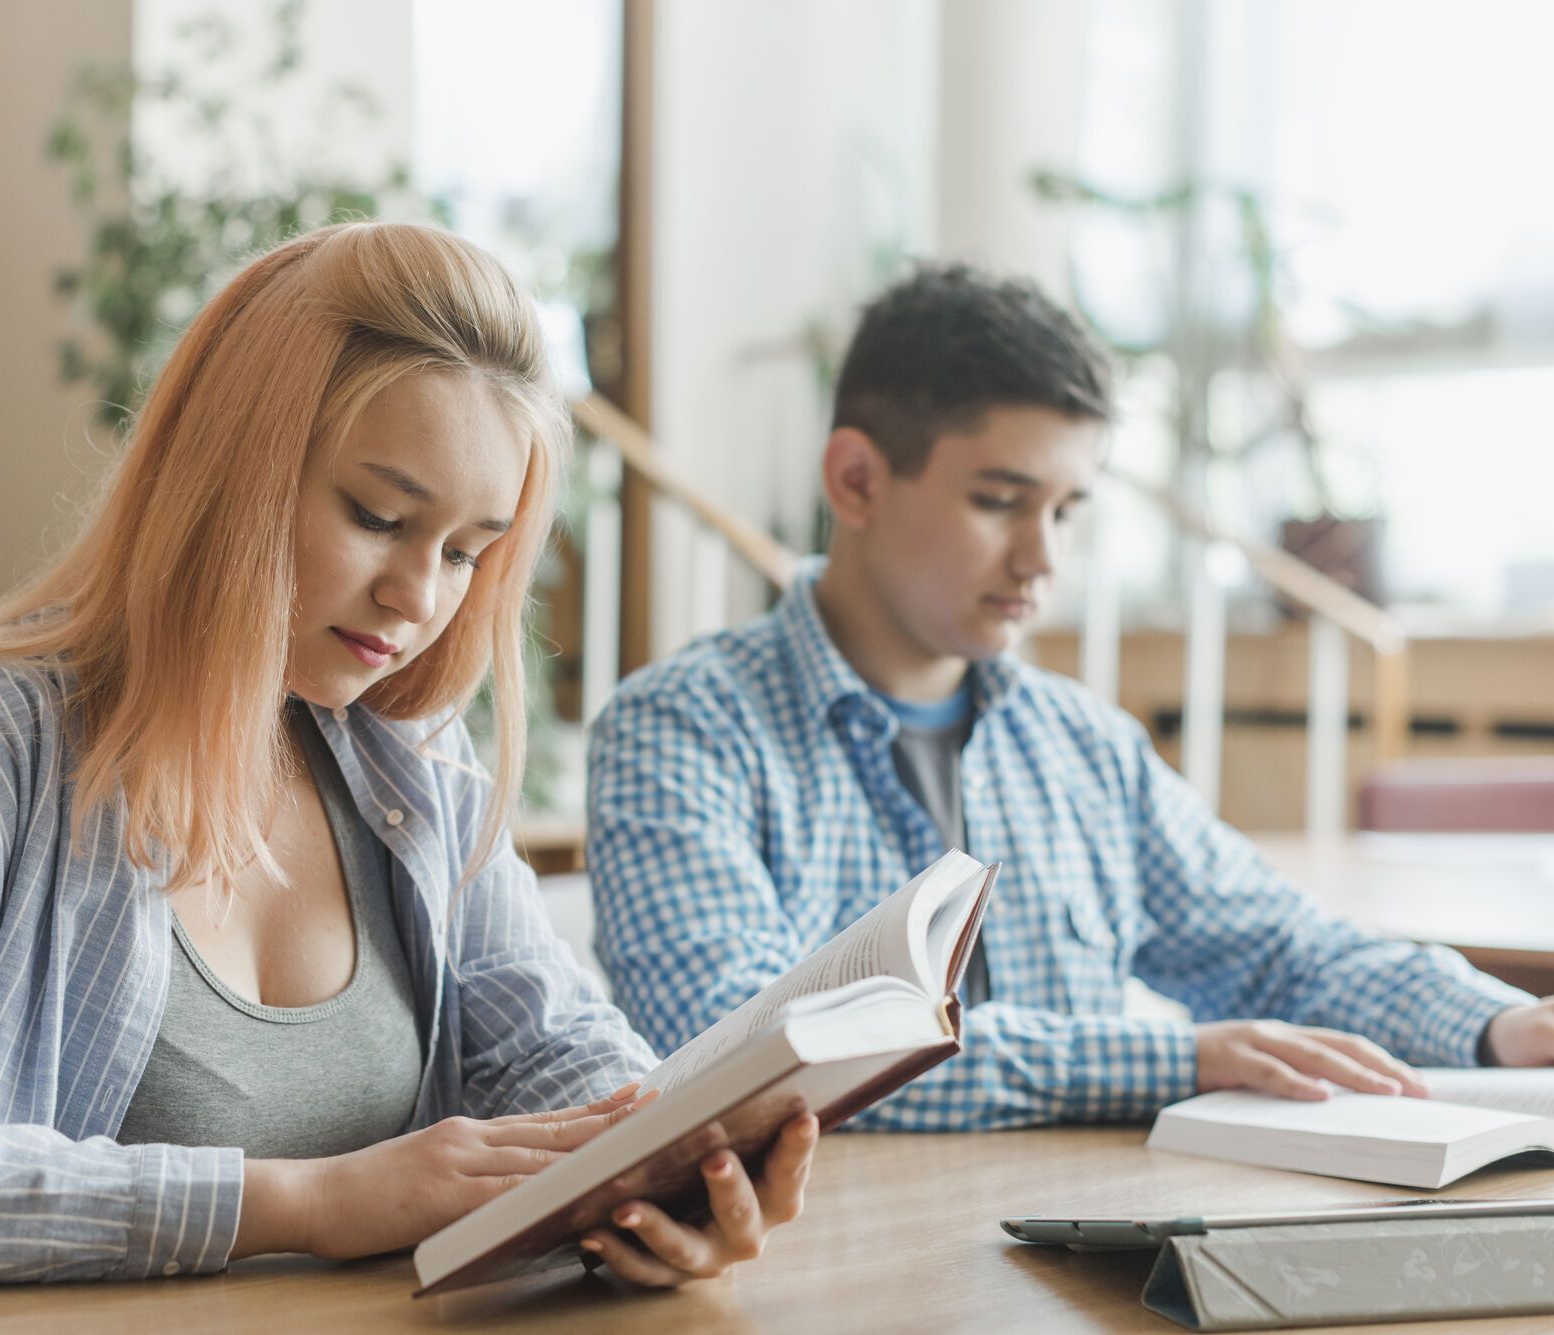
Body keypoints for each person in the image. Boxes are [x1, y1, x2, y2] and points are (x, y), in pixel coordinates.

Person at [0, 223, 815, 1286]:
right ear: (232, 469)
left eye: (467, 553)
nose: (416, 598)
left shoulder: (407, 756)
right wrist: (298, 1205)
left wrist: (661, 1179)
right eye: (376, 517)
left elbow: (558, 1057)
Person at [587, 262, 1554, 1133]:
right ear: (856, 479)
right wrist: (1172, 1055)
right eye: (999, 501)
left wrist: (1501, 1025)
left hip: (1074, 1256)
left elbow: (1281, 949)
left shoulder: (1084, 744)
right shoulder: (681, 728)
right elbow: (745, 1059)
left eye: (1066, 510)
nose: (1043, 558)